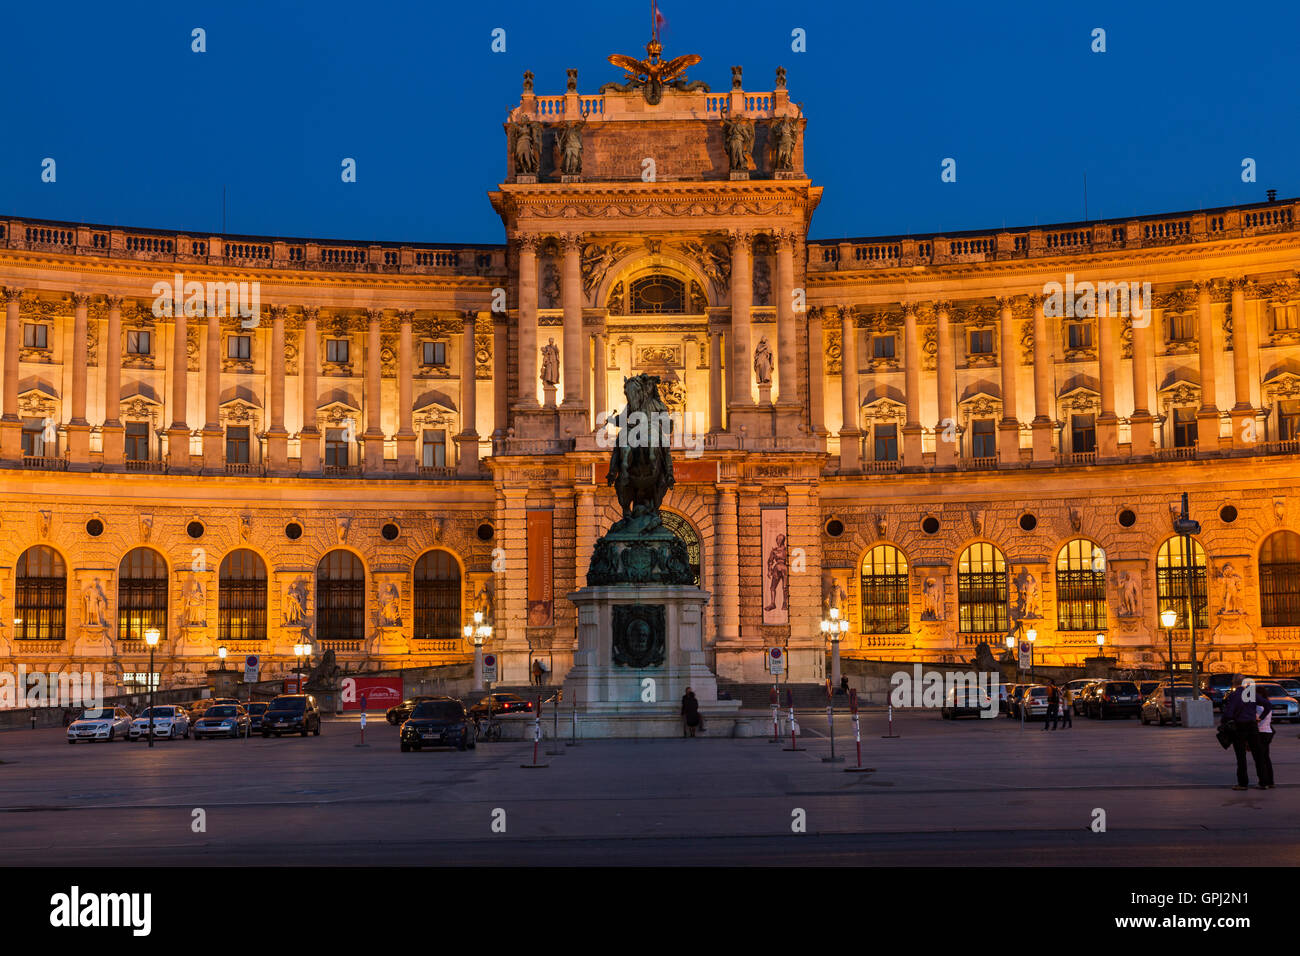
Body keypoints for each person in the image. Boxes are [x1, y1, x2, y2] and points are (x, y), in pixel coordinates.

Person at [1222, 673, 1272, 790]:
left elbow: (1229, 713)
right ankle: (1263, 782)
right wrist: (1260, 717)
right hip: (1252, 726)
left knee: (1241, 756)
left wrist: (1224, 721)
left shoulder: (1234, 696)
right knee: (1258, 755)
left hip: (1240, 727)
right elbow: (1268, 705)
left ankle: (1243, 783)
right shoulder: (1251, 694)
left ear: (1234, 683)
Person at [1256, 695, 1276, 790]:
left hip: (1260, 733)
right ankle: (1270, 781)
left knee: (1260, 759)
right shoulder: (1268, 707)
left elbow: (1255, 720)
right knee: (1266, 758)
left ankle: (1263, 782)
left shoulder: (1258, 707)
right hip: (1268, 732)